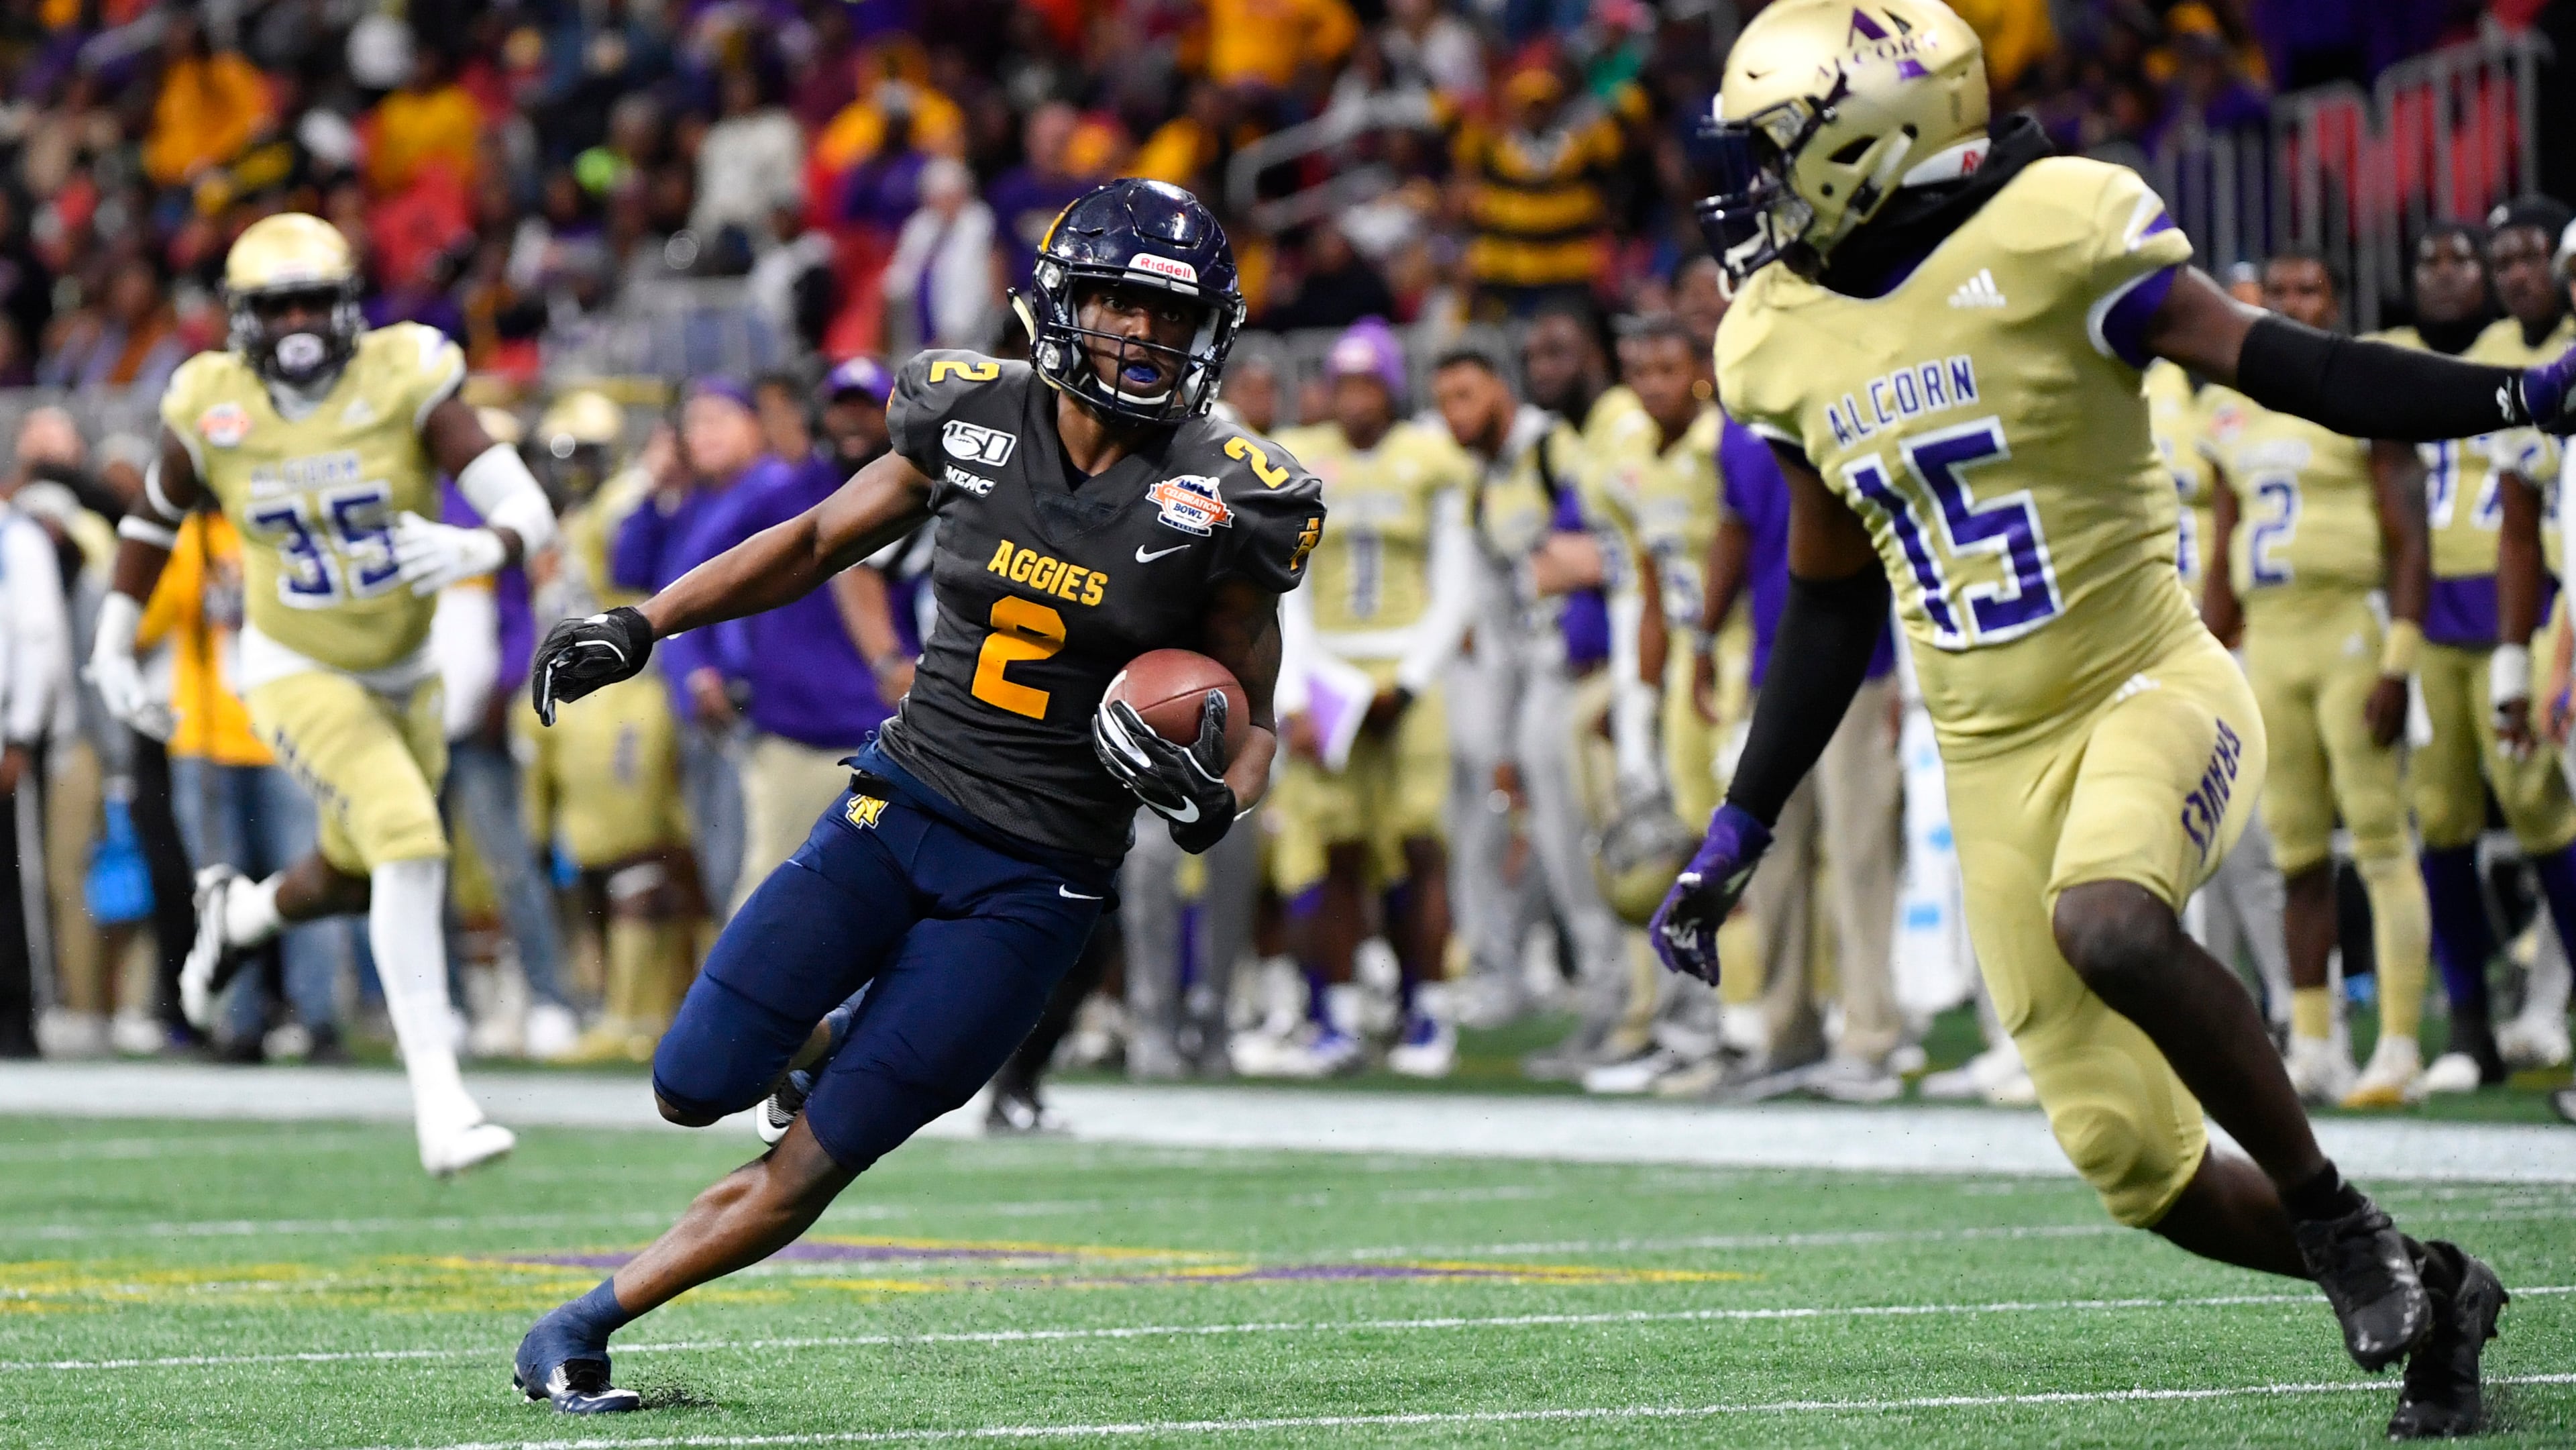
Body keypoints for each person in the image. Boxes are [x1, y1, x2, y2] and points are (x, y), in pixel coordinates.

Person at [1658, 1, 2563, 1434]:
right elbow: (1828, 602)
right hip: (1988, 755)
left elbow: (2300, 367)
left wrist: (2516, 391)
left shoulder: (2059, 226)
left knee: (2114, 921)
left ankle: (2337, 1220)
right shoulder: (1774, 333)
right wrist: (1740, 822)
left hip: (2146, 679)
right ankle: (2438, 1285)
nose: (1755, 185)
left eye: (1777, 149)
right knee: (2139, 1169)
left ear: (1869, 138)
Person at [510, 178, 1321, 1414]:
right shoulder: (970, 411)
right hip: (895, 811)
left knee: (814, 1162)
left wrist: (1212, 803)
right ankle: (827, 1039)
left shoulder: (1232, 492)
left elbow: (1252, 724)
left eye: (1173, 315)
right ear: (1061, 303)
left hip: (1038, 882)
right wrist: (645, 623)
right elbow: (812, 541)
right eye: (1120, 303)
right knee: (692, 1081)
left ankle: (580, 1324)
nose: (1146, 335)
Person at [87, 213, 552, 1176]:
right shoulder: (212, 400)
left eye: (311, 301)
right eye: (275, 306)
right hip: (294, 664)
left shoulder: (404, 375)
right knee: (409, 839)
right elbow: (154, 518)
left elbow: (525, 505)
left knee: (353, 870)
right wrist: (110, 643)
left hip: (405, 672)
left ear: (345, 306)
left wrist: (483, 544)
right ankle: (442, 1104)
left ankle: (243, 918)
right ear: (240, 317)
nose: (295, 323)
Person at [2198, 250, 2434, 1109]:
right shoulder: (2230, 406)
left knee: (2378, 839)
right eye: (2281, 291)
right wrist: (2203, 656)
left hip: (2349, 634)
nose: (2293, 304)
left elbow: (2410, 537)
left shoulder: (2361, 389)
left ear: (2336, 303)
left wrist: (2399, 660)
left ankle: (2399, 1045)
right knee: (2293, 850)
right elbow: (2225, 546)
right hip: (2271, 643)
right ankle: (2314, 1044)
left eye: (2311, 290)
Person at [1256, 318, 1474, 1077]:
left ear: (1391, 389)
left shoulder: (1430, 458)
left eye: (1368, 385)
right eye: (1344, 385)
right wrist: (1298, 694)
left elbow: (1454, 585)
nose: (1355, 400)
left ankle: (1429, 1012)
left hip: (1408, 667)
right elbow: (1292, 588)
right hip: (1330, 670)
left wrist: (1406, 683)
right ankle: (1341, 1018)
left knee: (1419, 847)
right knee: (1338, 848)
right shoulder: (1302, 457)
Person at [2394, 201, 2576, 1096]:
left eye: (2527, 257)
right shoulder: (2449, 354)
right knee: (2442, 816)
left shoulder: (2545, 355)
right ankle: (2470, 1022)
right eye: (2501, 260)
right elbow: (2515, 507)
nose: (2517, 275)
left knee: (2541, 807)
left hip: (2541, 613)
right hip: (2453, 615)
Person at [2151, 350, 2296, 1039]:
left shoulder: (2218, 403)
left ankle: (2292, 1003)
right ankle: (2210, 1017)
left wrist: (2215, 626)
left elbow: (2233, 521)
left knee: (2252, 838)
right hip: (2142, 643)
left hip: (2222, 636)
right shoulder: (2108, 390)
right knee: (2178, 840)